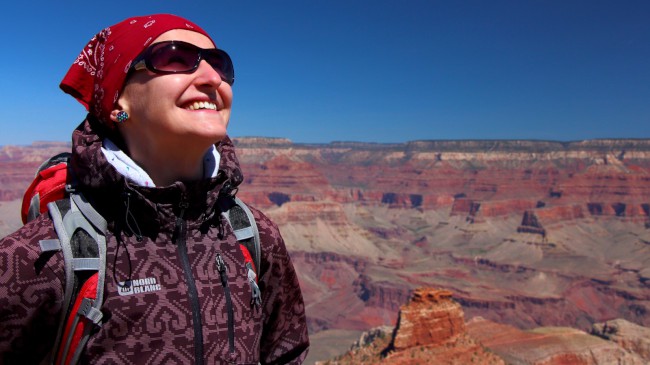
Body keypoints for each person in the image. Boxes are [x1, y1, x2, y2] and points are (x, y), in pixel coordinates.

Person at [0, 14, 309, 364]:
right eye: (175, 57)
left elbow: (286, 353)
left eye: (220, 64)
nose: (211, 78)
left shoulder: (254, 234)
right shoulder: (37, 258)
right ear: (118, 100)